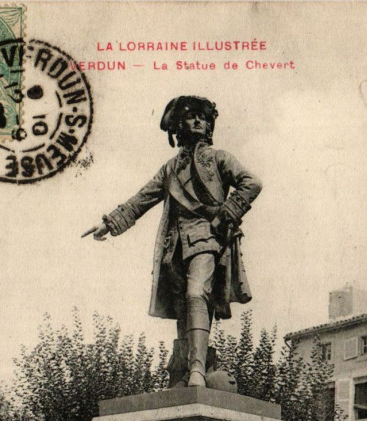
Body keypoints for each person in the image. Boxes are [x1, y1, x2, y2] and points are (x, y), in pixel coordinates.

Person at [89, 95, 262, 387]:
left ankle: (197, 370)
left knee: (197, 295)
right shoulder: (169, 169)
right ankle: (186, 370)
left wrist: (225, 216)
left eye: (203, 117)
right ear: (179, 125)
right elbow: (141, 199)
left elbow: (252, 183)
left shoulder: (219, 158)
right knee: (184, 309)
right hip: (176, 247)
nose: (198, 121)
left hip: (208, 239)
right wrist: (109, 222)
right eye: (191, 116)